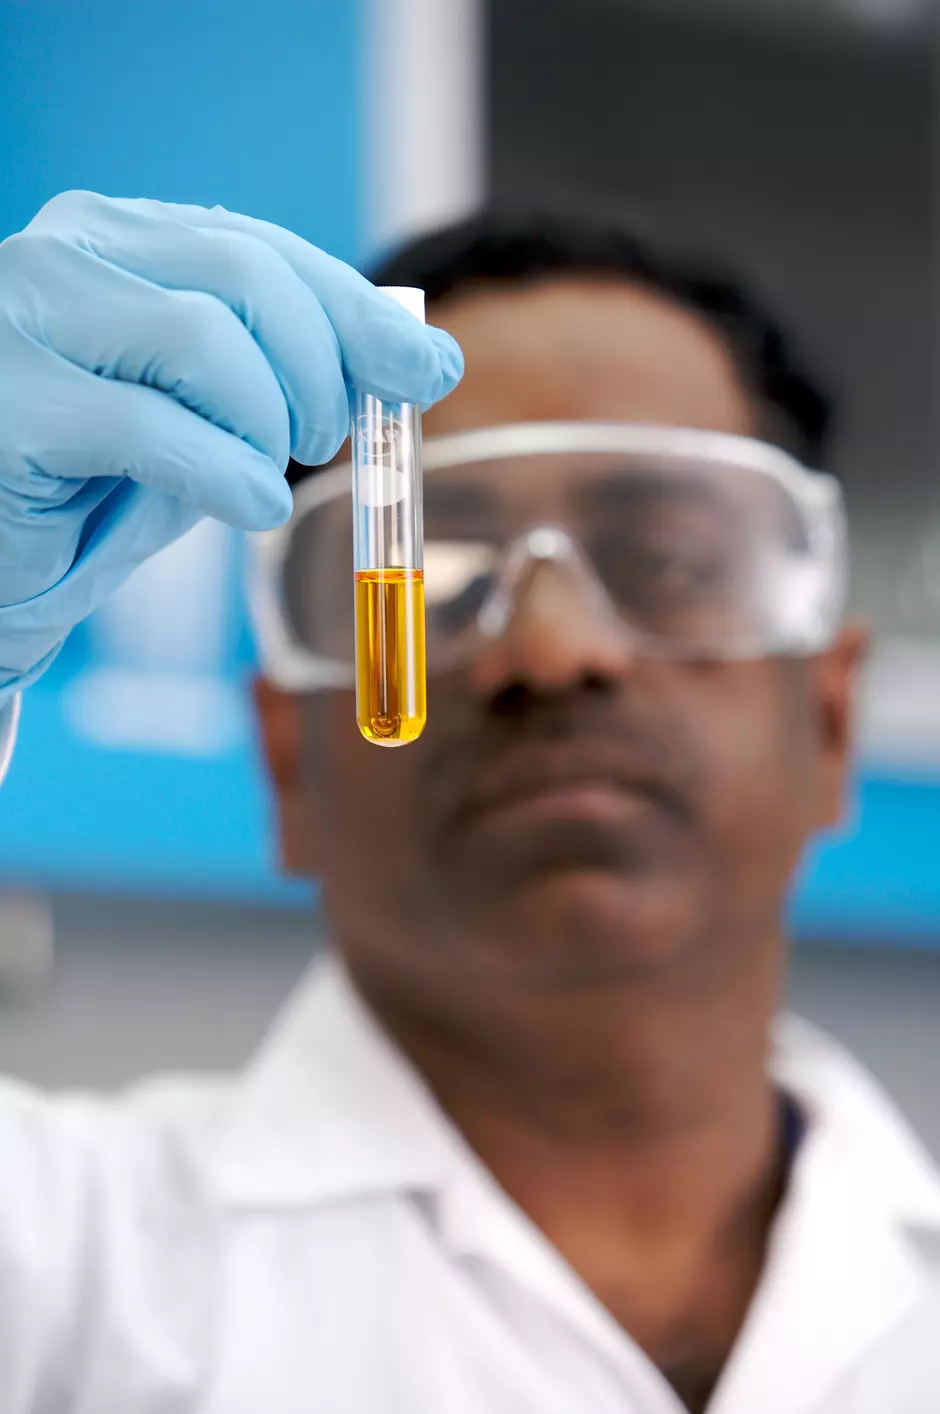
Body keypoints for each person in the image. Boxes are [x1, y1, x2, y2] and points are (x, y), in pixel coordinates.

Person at [0, 193, 937, 1414]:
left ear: (827, 718)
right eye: (440, 575)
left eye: (665, 562)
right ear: (284, 755)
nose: (549, 650)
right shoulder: (62, 1270)